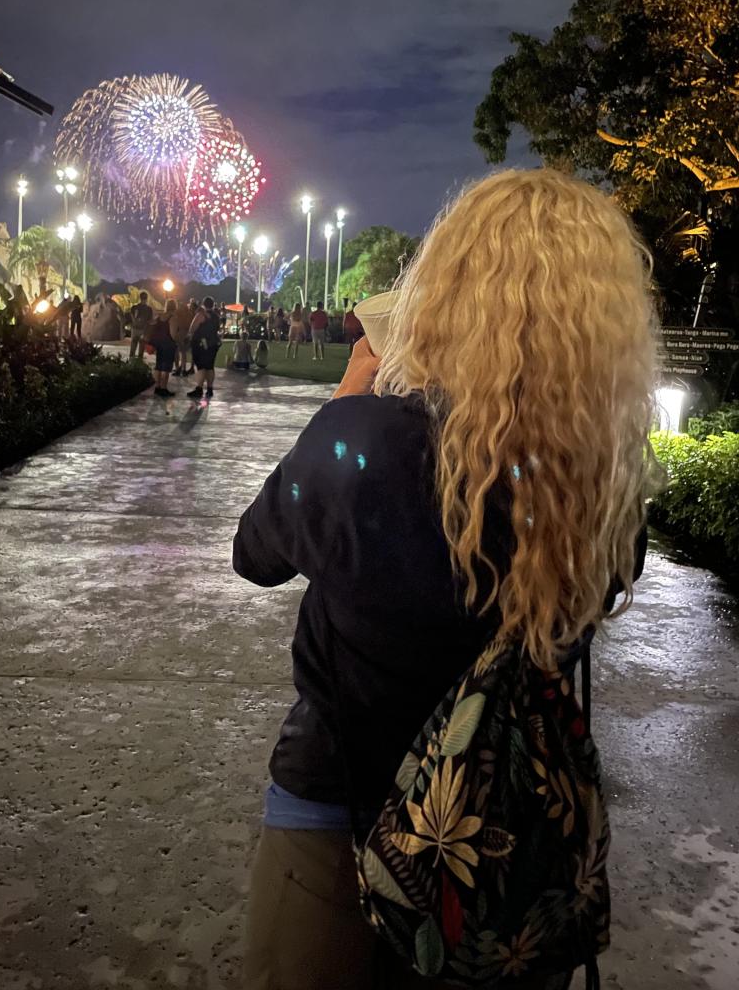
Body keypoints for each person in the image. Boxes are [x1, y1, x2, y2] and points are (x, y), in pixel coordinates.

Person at [233, 170, 657, 990]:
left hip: (340, 802)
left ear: (448, 291)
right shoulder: (595, 486)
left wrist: (350, 399)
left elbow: (256, 554)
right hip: (505, 829)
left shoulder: (362, 443)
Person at [188, 296, 221, 399]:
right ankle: (210, 389)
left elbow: (192, 328)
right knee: (210, 367)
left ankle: (199, 388)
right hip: (213, 344)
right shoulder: (216, 316)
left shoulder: (201, 315)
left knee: (201, 367)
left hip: (201, 345)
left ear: (203, 304)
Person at [151, 299, 178, 397]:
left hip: (159, 344)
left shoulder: (160, 316)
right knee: (166, 367)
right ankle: (164, 388)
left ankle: (157, 387)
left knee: (158, 365)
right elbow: (173, 334)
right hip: (168, 344)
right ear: (175, 307)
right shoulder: (172, 317)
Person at [170, 300, 194, 377]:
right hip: (187, 334)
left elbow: (175, 323)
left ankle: (181, 369)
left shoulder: (178, 313)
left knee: (181, 353)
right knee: (183, 353)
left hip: (180, 333)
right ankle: (182, 369)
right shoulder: (190, 314)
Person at [128, 291, 153, 361]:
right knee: (141, 348)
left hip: (135, 329)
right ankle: (139, 362)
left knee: (133, 346)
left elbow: (132, 317)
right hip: (143, 330)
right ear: (146, 299)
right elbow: (150, 321)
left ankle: (131, 361)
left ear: (140, 298)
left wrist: (134, 322)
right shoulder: (149, 309)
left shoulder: (134, 307)